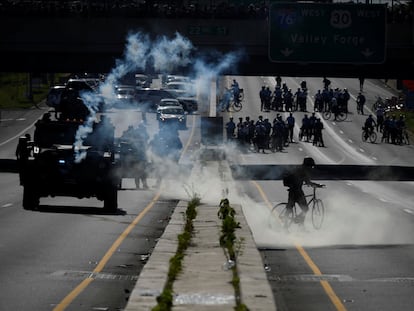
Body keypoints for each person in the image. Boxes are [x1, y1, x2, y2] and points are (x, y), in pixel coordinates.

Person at [282, 157, 324, 226]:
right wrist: (317, 185)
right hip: (296, 191)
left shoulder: (300, 169)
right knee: (304, 209)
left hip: (295, 190)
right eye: (310, 166)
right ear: (307, 165)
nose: (311, 168)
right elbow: (307, 182)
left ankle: (293, 224)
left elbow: (306, 181)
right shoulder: (303, 171)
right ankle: (293, 225)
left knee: (290, 208)